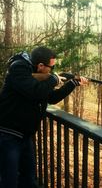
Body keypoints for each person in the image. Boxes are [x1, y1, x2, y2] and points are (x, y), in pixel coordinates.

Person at [0, 46, 88, 188]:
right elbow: (35, 91)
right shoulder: (19, 69)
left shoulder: (36, 75)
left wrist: (72, 83)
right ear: (40, 66)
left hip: (24, 136)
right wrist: (53, 79)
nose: (52, 71)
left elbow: (50, 98)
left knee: (29, 179)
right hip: (8, 135)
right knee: (8, 181)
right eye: (51, 68)